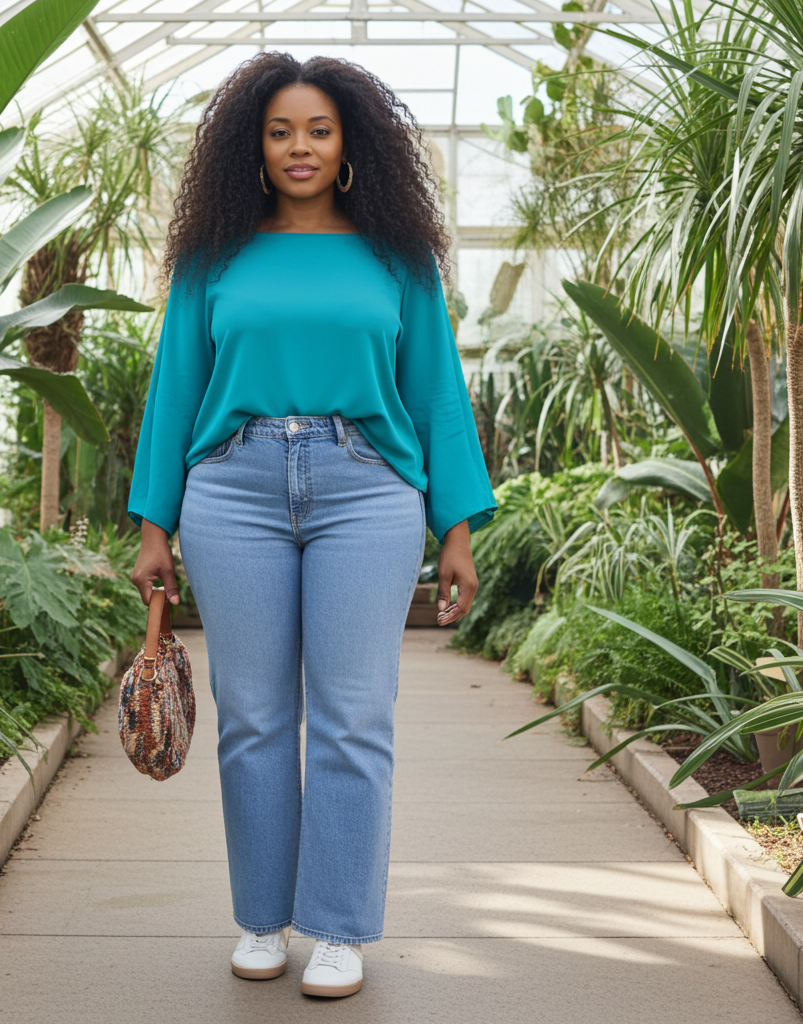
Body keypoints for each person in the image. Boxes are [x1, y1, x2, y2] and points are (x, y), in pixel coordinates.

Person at [128, 51, 496, 999]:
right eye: (282, 130)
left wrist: (455, 526)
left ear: (349, 146)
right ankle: (262, 919)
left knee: (354, 716)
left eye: (319, 131)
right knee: (252, 719)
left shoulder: (398, 259)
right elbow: (175, 389)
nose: (300, 146)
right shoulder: (213, 258)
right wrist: (153, 524)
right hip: (234, 490)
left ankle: (337, 927)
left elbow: (435, 393)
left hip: (366, 491)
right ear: (254, 145)